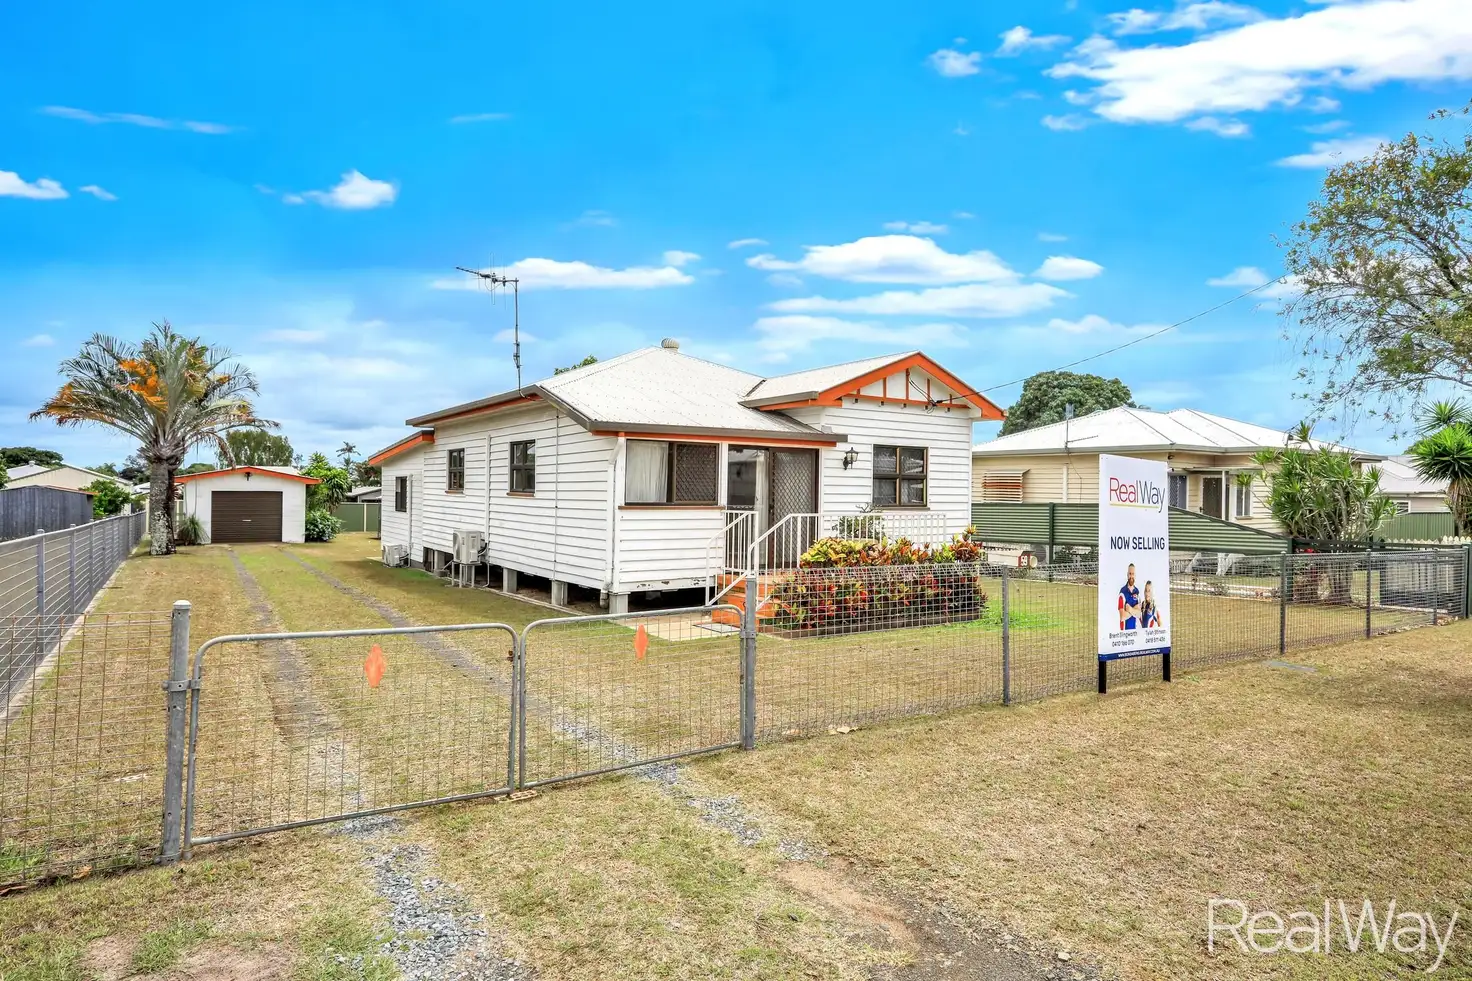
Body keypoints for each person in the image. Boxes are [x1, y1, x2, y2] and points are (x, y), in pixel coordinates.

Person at [1118, 563, 1141, 630]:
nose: (1131, 576)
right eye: (1130, 574)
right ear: (1127, 575)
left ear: (1135, 575)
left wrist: (1130, 609)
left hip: (1134, 632)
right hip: (1124, 633)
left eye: (1133, 574)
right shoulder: (1122, 592)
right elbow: (1122, 617)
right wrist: (1134, 610)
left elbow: (1139, 614)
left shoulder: (1137, 591)